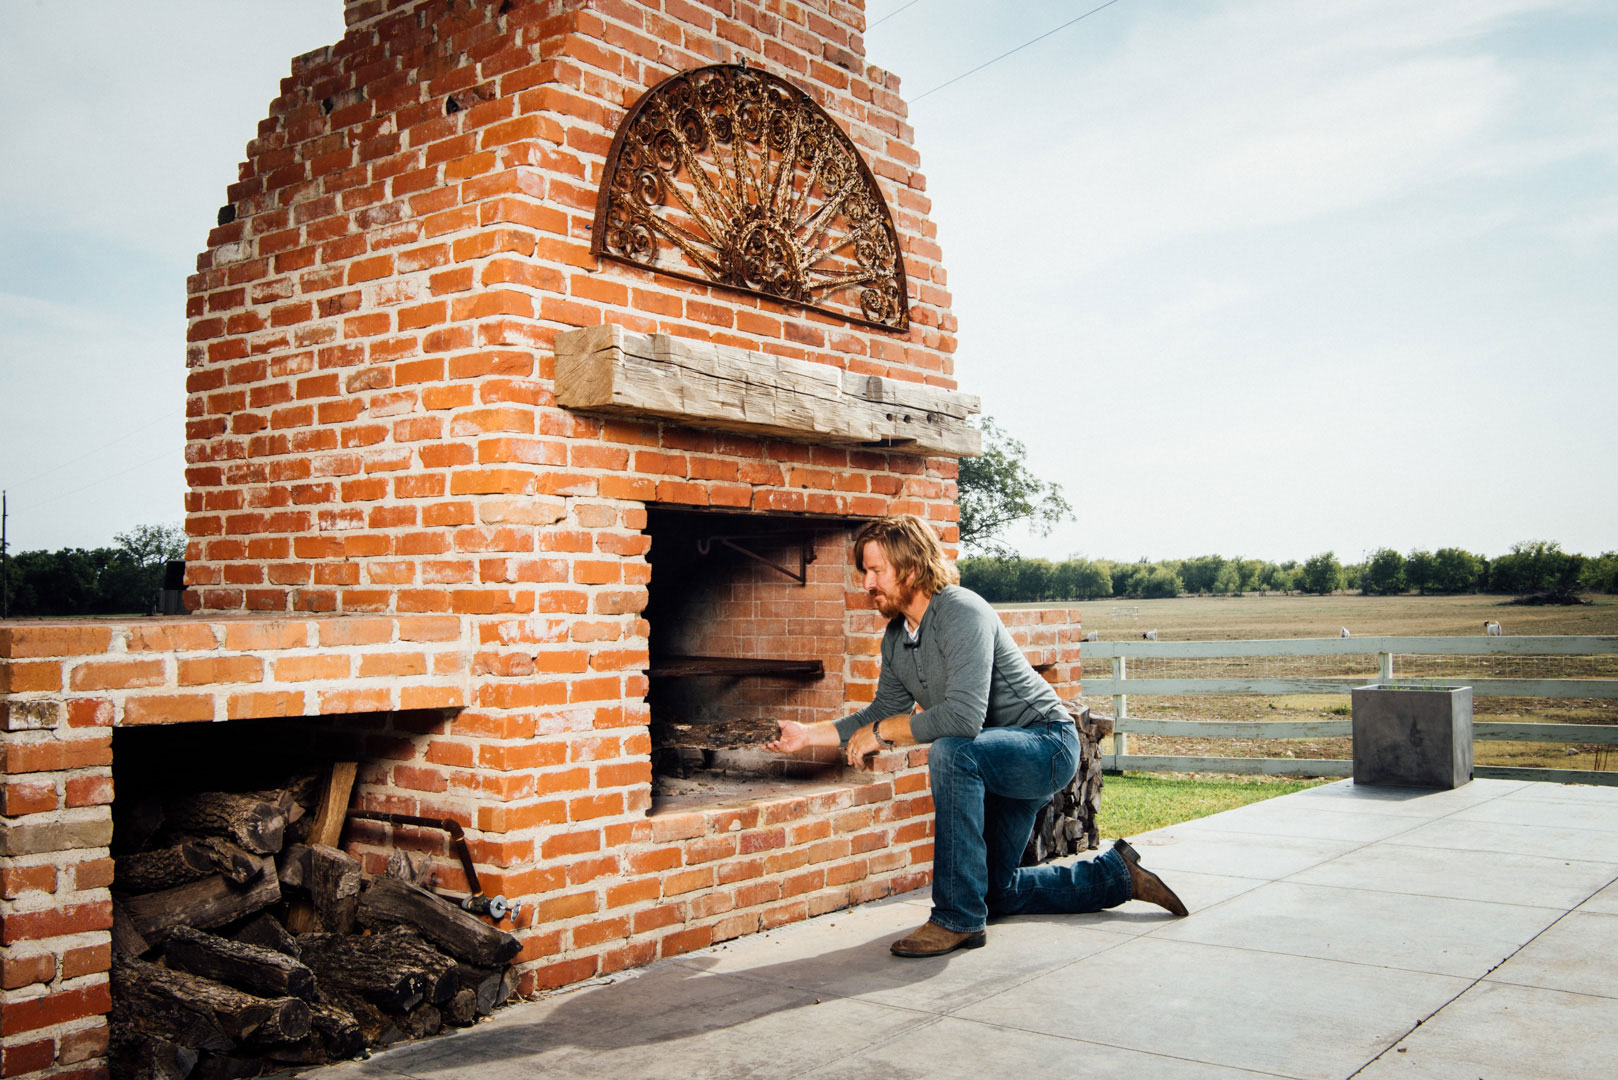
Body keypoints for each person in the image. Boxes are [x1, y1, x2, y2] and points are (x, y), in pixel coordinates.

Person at [765, 514, 1188, 957]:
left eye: (876, 572)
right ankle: (1115, 875)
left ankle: (955, 919)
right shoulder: (896, 637)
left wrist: (887, 732)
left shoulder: (961, 611)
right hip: (991, 758)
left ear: (910, 569)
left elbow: (963, 719)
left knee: (950, 751)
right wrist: (806, 734)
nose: (867, 583)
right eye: (863, 572)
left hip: (1045, 744)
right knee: (993, 893)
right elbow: (881, 711)